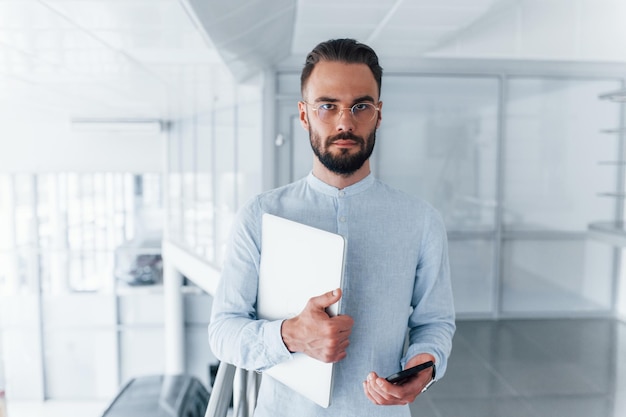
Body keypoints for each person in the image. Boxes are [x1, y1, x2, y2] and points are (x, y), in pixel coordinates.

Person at [208, 38, 455, 417]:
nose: (345, 122)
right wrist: (290, 335)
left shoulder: (421, 221)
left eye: (361, 106)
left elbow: (434, 322)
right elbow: (223, 331)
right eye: (327, 106)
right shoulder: (260, 216)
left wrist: (423, 366)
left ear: (379, 113)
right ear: (304, 115)